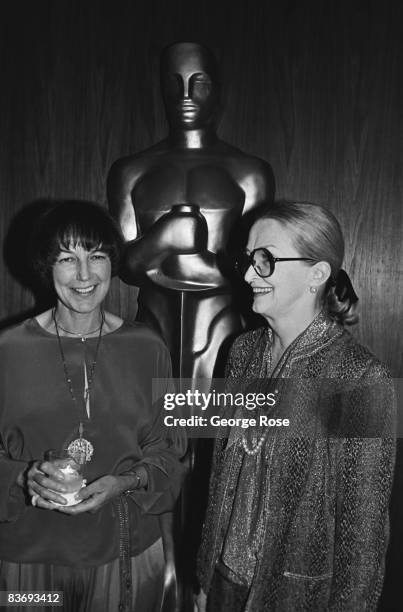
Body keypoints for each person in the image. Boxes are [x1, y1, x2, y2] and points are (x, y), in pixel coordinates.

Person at [195, 201, 395, 611]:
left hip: (295, 596)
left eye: (266, 260)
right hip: (222, 583)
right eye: (249, 259)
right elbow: (220, 477)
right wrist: (203, 578)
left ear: (317, 274)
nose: (250, 273)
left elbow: (364, 535)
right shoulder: (243, 351)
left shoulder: (361, 378)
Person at [0, 201, 186, 612]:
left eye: (96, 257)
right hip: (27, 560)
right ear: (46, 267)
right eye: (68, 259)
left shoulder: (148, 348)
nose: (84, 275)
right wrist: (23, 477)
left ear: (112, 265)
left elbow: (171, 451)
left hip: (125, 553)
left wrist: (123, 482)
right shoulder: (7, 350)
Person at [107, 41, 274, 380]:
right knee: (155, 426)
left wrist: (188, 263)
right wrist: (161, 239)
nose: (185, 94)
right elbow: (123, 264)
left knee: (217, 427)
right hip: (153, 322)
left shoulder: (249, 172)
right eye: (174, 82)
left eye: (199, 82)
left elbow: (258, 269)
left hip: (225, 326)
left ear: (217, 90)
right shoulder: (131, 171)